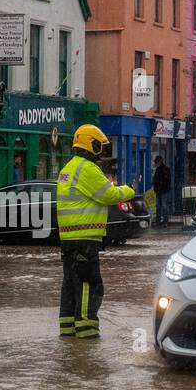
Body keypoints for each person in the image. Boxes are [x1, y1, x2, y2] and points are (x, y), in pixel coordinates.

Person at [55, 124, 135, 339]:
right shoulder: (87, 169)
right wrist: (129, 190)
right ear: (92, 145)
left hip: (68, 239)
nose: (102, 151)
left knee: (71, 285)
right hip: (85, 239)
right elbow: (109, 195)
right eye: (100, 146)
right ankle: (87, 331)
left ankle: (68, 330)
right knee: (90, 284)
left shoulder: (67, 168)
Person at [152, 155, 172, 225]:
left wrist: (158, 186)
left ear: (159, 162)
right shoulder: (164, 169)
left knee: (161, 205)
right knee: (161, 205)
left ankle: (162, 220)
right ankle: (163, 220)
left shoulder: (163, 170)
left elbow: (165, 180)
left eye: (156, 162)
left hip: (162, 190)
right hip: (161, 190)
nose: (156, 163)